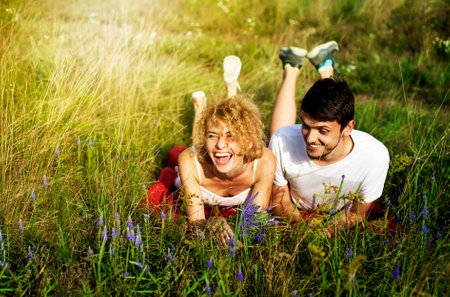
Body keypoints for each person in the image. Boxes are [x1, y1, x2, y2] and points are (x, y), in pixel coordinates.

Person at [268, 41, 390, 237]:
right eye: (305, 126)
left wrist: (324, 232)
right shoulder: (284, 140)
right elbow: (278, 200)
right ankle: (295, 67)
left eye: (322, 130)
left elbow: (355, 214)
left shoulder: (375, 156)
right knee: (279, 134)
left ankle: (322, 66)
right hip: (297, 209)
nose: (310, 138)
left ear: (348, 127)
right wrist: (302, 227)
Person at [178, 56, 276, 245]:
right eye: (212, 136)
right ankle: (200, 106)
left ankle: (229, 89)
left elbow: (253, 221)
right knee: (202, 140)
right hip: (200, 155)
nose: (221, 144)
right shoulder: (190, 160)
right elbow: (196, 221)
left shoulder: (265, 161)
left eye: (231, 136)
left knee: (227, 124)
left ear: (248, 141)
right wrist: (215, 221)